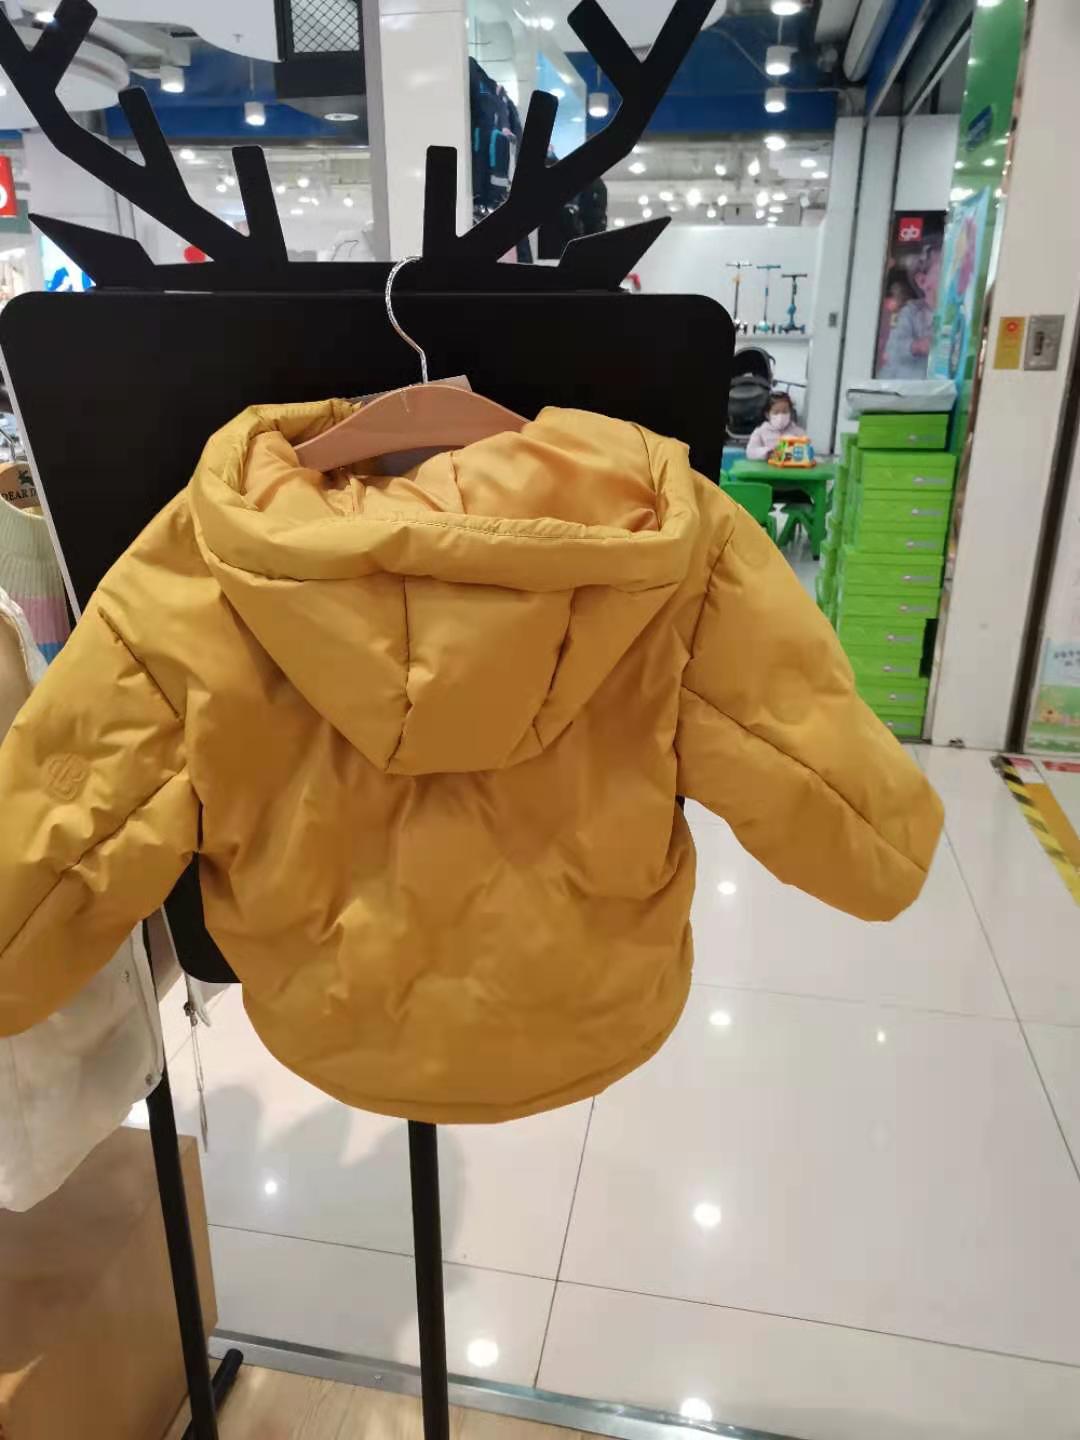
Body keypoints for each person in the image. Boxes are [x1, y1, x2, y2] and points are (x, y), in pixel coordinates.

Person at [746, 391, 796, 460]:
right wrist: (769, 453)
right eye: (776, 412)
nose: (781, 416)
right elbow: (750, 452)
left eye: (785, 412)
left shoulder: (798, 432)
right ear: (767, 415)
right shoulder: (760, 431)